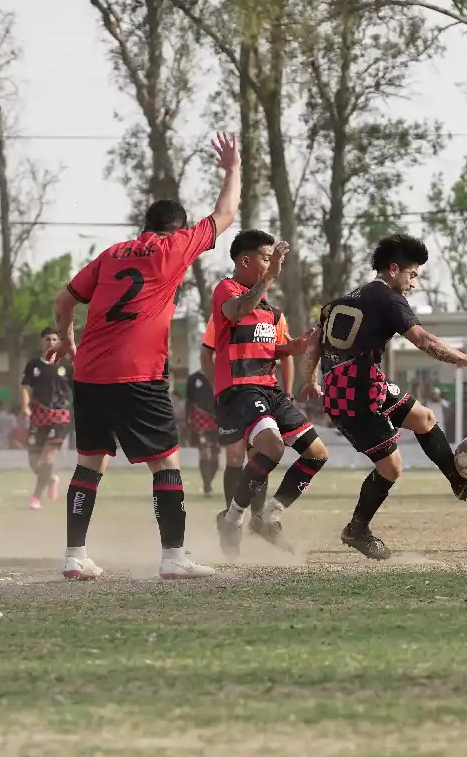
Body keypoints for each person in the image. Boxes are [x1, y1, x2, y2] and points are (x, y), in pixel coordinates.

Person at [48, 132, 241, 581]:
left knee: (90, 461)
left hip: (91, 374)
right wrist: (231, 168)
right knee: (165, 463)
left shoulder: (111, 254)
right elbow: (226, 213)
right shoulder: (174, 248)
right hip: (139, 376)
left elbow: (64, 300)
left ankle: (74, 556)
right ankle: (174, 558)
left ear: (145, 225)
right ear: (178, 228)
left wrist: (67, 339)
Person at [299, 233, 467, 560]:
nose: (414, 283)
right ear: (394, 269)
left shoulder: (342, 300)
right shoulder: (388, 299)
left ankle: (458, 482)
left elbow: (315, 343)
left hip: (362, 384)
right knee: (391, 467)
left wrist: (309, 379)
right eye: (413, 274)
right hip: (355, 397)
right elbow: (423, 340)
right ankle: (357, 529)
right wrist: (466, 359)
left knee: (425, 418)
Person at [212, 231, 324, 558]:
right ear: (245, 261)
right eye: (266, 258)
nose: (272, 264)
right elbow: (235, 312)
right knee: (272, 448)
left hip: (270, 389)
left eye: (274, 259)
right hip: (240, 389)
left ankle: (266, 517)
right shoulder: (226, 290)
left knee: (316, 453)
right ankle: (232, 518)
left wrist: (298, 346)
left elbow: (273, 349)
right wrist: (270, 276)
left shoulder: (270, 309)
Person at [200, 309, 294, 511]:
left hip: (263, 394)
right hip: (232, 395)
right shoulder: (223, 313)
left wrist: (288, 393)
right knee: (234, 456)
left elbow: (286, 356)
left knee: (260, 454)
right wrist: (217, 387)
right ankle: (230, 515)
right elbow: (206, 352)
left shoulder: (276, 316)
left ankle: (257, 516)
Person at [20, 328, 73, 509]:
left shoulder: (67, 366)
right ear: (41, 343)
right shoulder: (33, 365)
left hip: (60, 416)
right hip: (39, 416)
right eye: (47, 339)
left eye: (54, 339)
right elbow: (26, 387)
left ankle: (36, 497)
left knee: (48, 458)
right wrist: (25, 406)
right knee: (34, 462)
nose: (50, 342)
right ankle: (51, 479)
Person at [184, 361, 220, 496]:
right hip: (199, 419)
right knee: (204, 452)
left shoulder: (220, 376)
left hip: (217, 420)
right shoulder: (193, 379)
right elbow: (189, 401)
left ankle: (209, 480)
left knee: (215, 456)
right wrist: (188, 419)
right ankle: (207, 486)